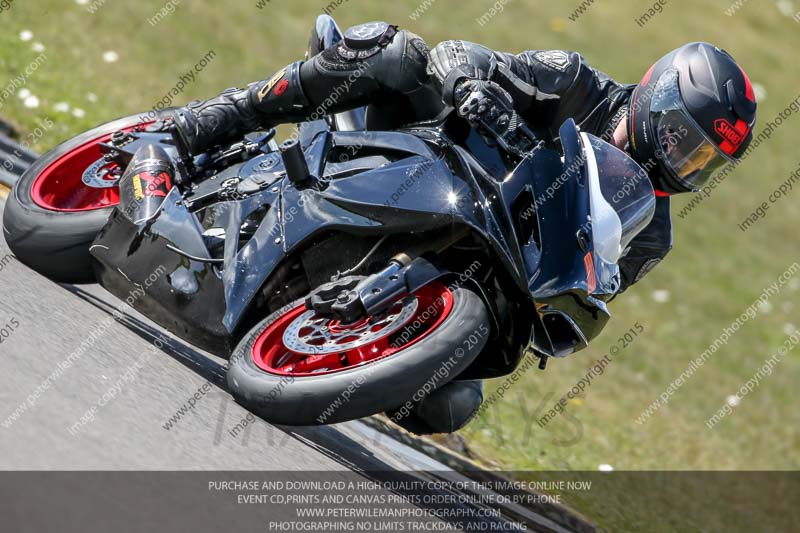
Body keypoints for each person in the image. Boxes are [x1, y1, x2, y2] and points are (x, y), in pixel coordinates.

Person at [169, 20, 757, 435]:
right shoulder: (576, 82)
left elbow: (595, 282)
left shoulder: (652, 233)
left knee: (449, 404)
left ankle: (338, 342)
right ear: (656, 97)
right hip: (426, 154)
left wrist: (572, 307)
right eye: (682, 137)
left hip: (480, 258)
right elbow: (459, 54)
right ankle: (221, 116)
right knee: (394, 51)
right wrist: (473, 89)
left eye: (701, 160)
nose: (683, 160)